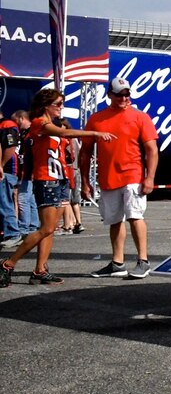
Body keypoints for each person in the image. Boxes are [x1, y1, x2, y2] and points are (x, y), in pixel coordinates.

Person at [0, 89, 116, 287]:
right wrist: (95, 132)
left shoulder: (51, 124)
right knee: (46, 227)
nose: (61, 107)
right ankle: (8, 263)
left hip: (59, 180)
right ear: (46, 106)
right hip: (46, 180)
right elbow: (64, 133)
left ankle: (40, 270)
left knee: (50, 230)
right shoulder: (39, 123)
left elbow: (63, 150)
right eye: (58, 104)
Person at [80, 77, 159, 280]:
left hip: (133, 173)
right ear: (110, 95)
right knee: (114, 220)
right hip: (107, 177)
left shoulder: (140, 117)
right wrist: (85, 181)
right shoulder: (97, 119)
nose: (124, 98)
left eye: (127, 94)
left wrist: (149, 177)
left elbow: (152, 150)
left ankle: (143, 261)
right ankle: (117, 263)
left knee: (135, 216)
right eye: (119, 94)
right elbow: (85, 152)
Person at [11, 111, 40, 238]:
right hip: (25, 170)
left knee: (23, 199)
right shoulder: (24, 133)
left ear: (22, 118)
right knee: (30, 199)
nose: (15, 124)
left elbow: (35, 153)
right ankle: (33, 225)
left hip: (28, 171)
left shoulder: (32, 132)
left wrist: (33, 170)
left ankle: (24, 227)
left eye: (16, 121)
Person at [0, 111, 21, 249]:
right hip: (4, 169)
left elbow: (10, 146)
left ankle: (13, 233)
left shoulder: (7, 124)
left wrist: (1, 165)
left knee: (4, 202)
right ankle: (7, 232)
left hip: (6, 170)